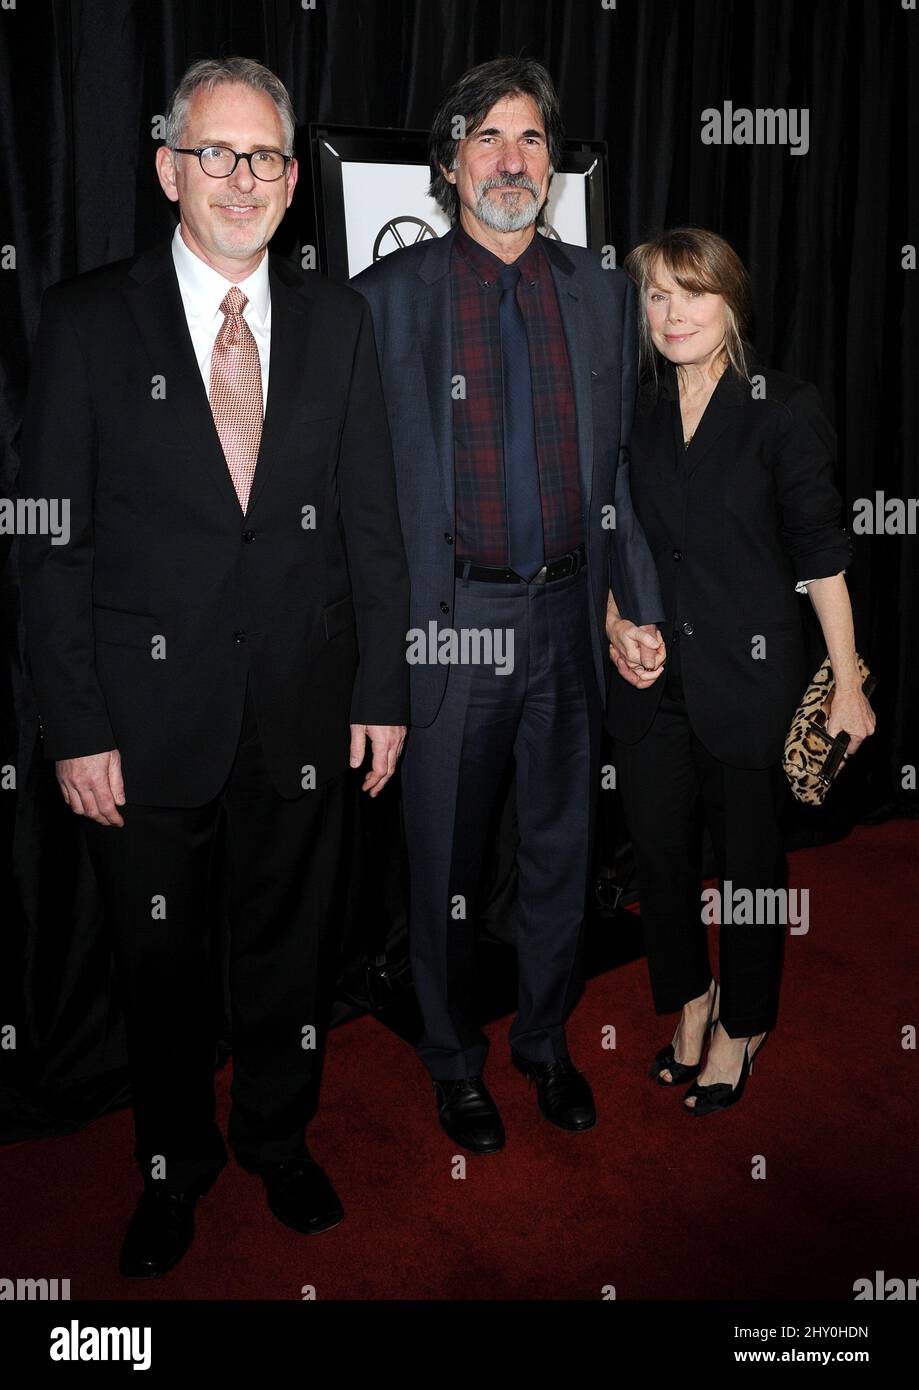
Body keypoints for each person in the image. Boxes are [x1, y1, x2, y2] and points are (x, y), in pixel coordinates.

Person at [17, 56, 409, 1275]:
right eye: (214, 153)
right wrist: (75, 725)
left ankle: (278, 1142)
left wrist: (384, 689)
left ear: (294, 182)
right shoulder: (87, 321)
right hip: (139, 723)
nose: (239, 178)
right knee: (157, 957)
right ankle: (172, 1167)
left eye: (262, 157)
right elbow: (48, 542)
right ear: (166, 168)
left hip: (301, 705)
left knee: (291, 944)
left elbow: (372, 519)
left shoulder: (341, 321)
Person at [352, 57, 666, 1154]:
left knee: (560, 850)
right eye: (487, 138)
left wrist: (635, 601)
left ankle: (543, 1039)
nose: (511, 160)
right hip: (450, 624)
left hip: (571, 619)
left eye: (531, 140)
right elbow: (359, 503)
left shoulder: (600, 290)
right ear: (447, 162)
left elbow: (619, 468)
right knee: (439, 860)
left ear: (553, 166)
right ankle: (451, 1059)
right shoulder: (384, 301)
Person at [607, 227, 875, 1115]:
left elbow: (821, 553)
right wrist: (615, 621)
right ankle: (691, 1001)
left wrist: (845, 681)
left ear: (732, 304)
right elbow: (620, 538)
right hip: (653, 680)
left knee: (751, 863)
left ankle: (744, 1020)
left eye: (693, 292)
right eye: (656, 294)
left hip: (749, 678)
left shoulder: (779, 407)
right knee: (659, 853)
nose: (672, 312)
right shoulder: (636, 408)